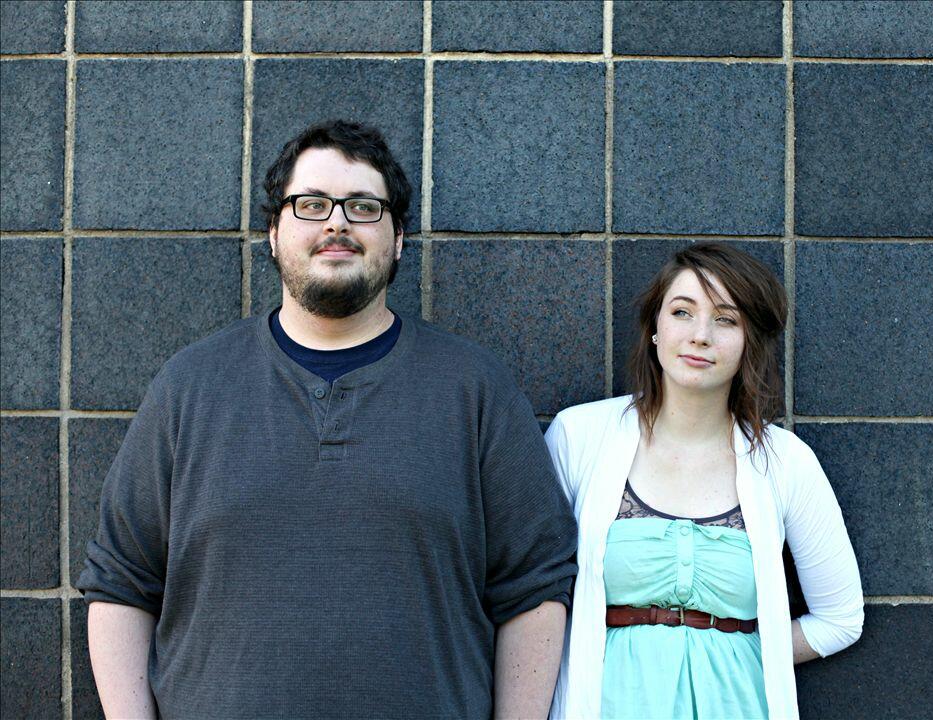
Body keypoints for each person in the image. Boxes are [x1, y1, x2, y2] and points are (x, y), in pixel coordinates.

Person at [77, 120, 577, 719]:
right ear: (273, 233)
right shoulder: (189, 388)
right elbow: (120, 583)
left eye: (363, 207)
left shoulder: (475, 389)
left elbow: (534, 586)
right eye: (311, 204)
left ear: (398, 239)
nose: (336, 223)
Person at [545, 243, 863, 719]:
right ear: (655, 327)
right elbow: (530, 595)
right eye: (682, 312)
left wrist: (739, 655)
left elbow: (841, 619)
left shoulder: (786, 461)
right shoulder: (579, 436)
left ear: (749, 342)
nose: (700, 335)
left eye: (725, 320)